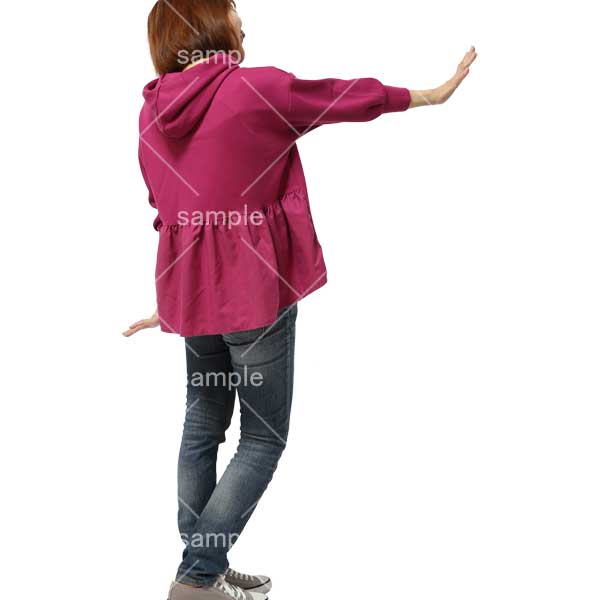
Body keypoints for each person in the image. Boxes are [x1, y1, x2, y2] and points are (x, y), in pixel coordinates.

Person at [123, 1, 477, 598]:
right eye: (233, 12)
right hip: (255, 294)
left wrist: (173, 296)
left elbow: (170, 208)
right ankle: (197, 577)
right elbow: (343, 97)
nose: (242, 22)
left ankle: (204, 559)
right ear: (209, 26)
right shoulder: (256, 90)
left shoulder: (152, 111)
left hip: (196, 297)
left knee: (203, 422)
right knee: (262, 439)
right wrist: (429, 95)